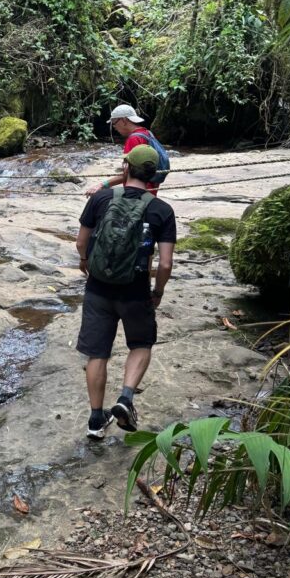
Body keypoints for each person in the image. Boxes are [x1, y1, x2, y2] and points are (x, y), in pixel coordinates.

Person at [75, 144, 176, 440]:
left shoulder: (101, 198)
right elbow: (166, 263)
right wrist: (157, 292)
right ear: (153, 176)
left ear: (126, 168)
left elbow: (81, 242)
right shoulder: (162, 210)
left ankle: (96, 420)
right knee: (141, 344)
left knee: (97, 353)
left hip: (98, 287)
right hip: (135, 289)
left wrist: (85, 262)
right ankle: (126, 399)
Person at [86, 104, 161, 196]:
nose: (114, 126)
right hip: (150, 190)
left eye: (114, 122)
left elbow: (129, 173)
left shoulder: (133, 139)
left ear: (124, 120)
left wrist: (102, 185)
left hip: (137, 194)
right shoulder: (146, 133)